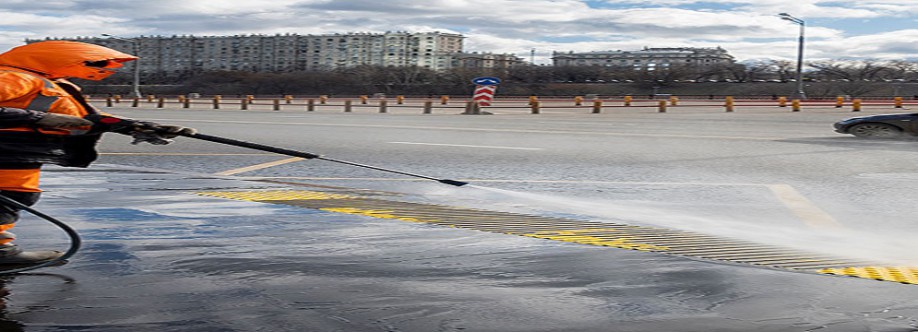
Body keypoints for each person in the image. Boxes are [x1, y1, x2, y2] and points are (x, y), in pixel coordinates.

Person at [0, 40, 194, 265]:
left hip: (21, 150)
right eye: (95, 63)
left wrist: (135, 126)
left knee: (13, 195)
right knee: (11, 196)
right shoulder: (14, 77)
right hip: (9, 148)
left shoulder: (50, 82)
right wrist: (39, 119)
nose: (101, 68)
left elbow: (88, 119)